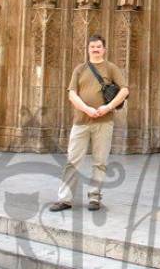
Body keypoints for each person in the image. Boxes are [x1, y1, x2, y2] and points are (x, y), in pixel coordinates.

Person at [50, 35, 129, 212]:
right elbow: (72, 94)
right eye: (92, 46)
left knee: (100, 162)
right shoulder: (80, 69)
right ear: (88, 49)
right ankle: (65, 199)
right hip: (81, 122)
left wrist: (108, 107)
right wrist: (87, 109)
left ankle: (95, 197)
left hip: (104, 122)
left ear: (104, 49)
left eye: (98, 46)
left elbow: (124, 90)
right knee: (72, 161)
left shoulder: (111, 68)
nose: (95, 49)